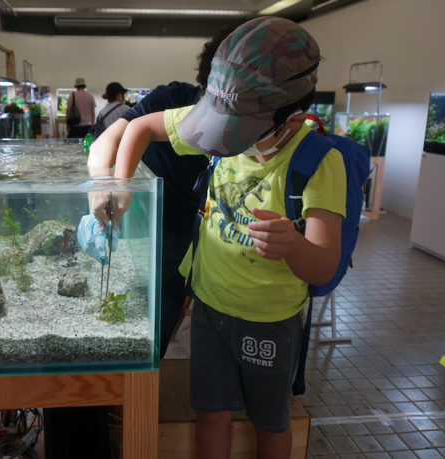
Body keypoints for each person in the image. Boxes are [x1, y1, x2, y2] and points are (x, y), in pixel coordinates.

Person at [92, 17, 346, 458]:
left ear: (289, 115)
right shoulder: (221, 125)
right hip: (209, 309)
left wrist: (293, 246)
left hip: (270, 320)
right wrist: (120, 184)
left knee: (272, 420)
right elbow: (138, 128)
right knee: (210, 412)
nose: (222, 142)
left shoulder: (319, 162)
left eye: (237, 131)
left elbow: (324, 266)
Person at [86, 26, 233, 358]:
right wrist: (105, 182)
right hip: (146, 225)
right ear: (203, 87)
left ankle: (151, 376)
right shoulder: (173, 99)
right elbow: (106, 143)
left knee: (166, 317)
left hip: (199, 234)